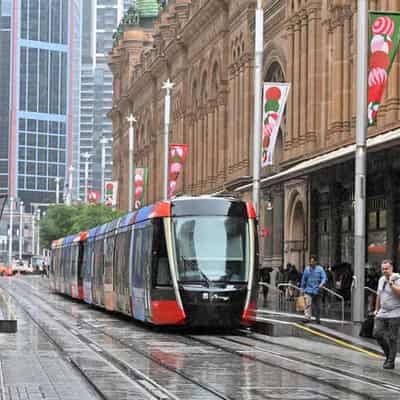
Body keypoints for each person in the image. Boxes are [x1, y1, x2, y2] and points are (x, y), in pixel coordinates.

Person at [374, 260, 400, 369]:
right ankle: (389, 355)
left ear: (392, 268)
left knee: (392, 338)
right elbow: (379, 295)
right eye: (383, 269)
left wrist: (391, 284)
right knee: (377, 333)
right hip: (382, 312)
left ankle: (390, 361)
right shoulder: (381, 279)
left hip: (395, 312)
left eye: (387, 268)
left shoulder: (397, 279)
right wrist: (376, 310)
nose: (385, 271)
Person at [300, 255, 327, 324]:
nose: (311, 263)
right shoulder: (307, 269)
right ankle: (307, 317)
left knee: (318, 306)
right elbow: (304, 279)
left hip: (317, 290)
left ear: (316, 262)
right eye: (310, 261)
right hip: (308, 290)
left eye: (312, 261)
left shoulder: (320, 269)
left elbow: (324, 277)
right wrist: (302, 288)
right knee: (307, 304)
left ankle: (317, 318)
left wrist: (322, 283)